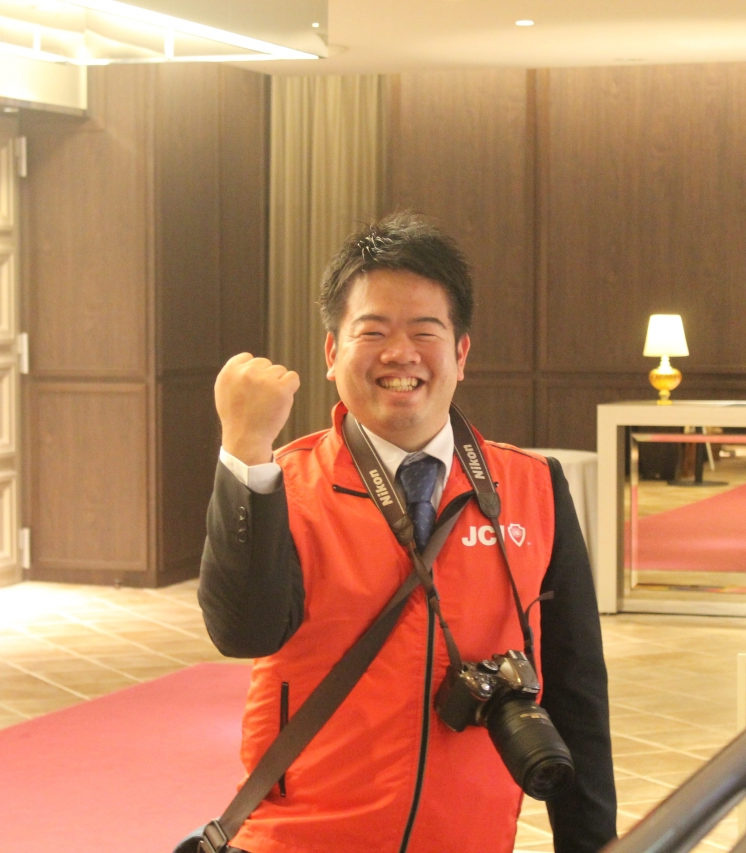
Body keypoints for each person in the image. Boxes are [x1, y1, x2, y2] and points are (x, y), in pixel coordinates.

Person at [198, 212, 615, 853]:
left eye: (425, 331)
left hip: (471, 839)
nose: (401, 354)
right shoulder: (282, 485)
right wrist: (245, 449)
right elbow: (242, 631)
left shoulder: (532, 487)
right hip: (305, 839)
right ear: (332, 353)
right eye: (373, 331)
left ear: (461, 353)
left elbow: (576, 692)